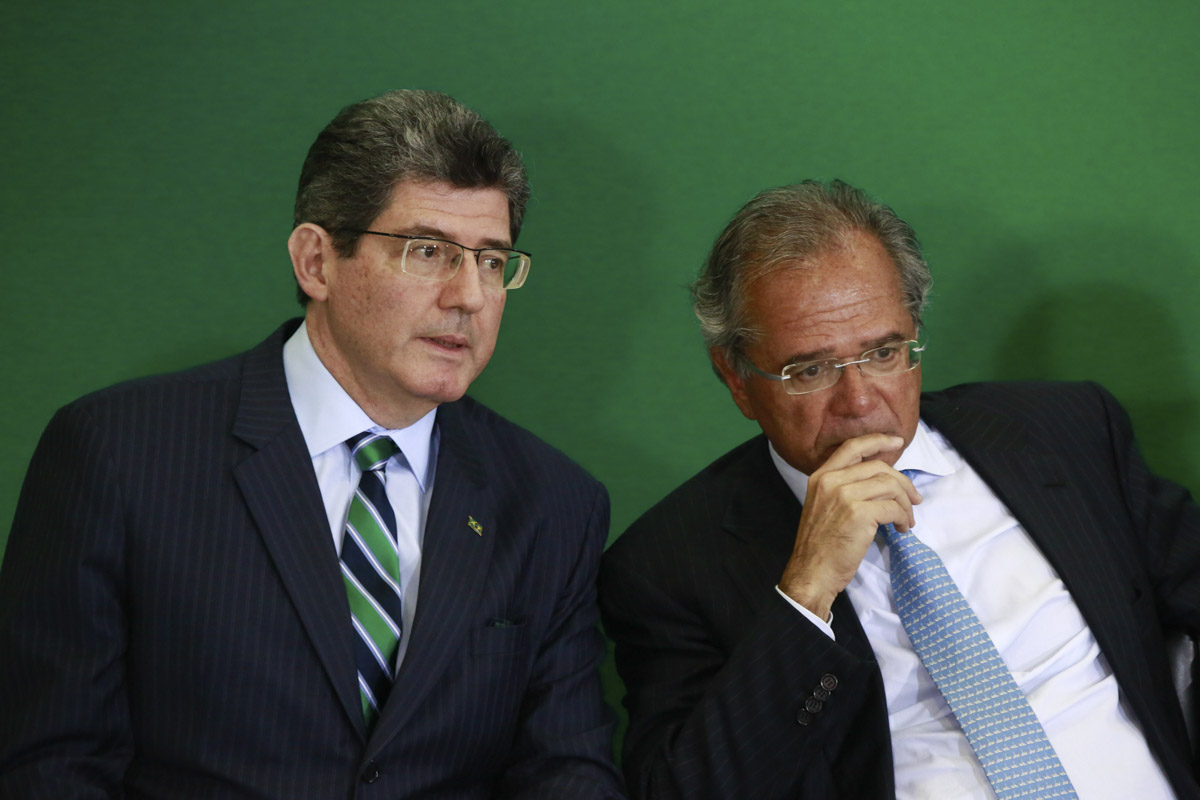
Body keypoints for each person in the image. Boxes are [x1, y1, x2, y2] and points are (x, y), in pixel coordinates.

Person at [0, 90, 624, 799]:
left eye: (491, 261)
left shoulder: (554, 503)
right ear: (316, 261)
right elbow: (49, 762)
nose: (470, 297)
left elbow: (565, 770)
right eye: (429, 251)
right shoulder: (118, 452)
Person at [599, 179, 1200, 799]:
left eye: (885, 353)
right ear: (737, 377)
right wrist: (806, 593)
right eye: (810, 369)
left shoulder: (1066, 431)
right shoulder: (667, 566)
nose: (860, 403)